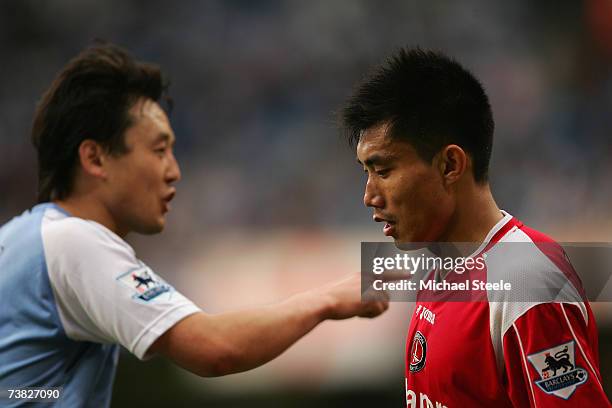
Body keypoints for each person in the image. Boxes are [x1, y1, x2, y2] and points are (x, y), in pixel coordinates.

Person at [0, 42, 389, 407]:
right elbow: (216, 350)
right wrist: (327, 299)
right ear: (95, 158)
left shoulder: (20, 239)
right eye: (158, 150)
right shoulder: (74, 242)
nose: (174, 171)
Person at [341, 48, 610, 407]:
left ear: (451, 164)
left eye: (384, 170)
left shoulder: (526, 283)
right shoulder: (442, 266)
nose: (369, 196)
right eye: (366, 172)